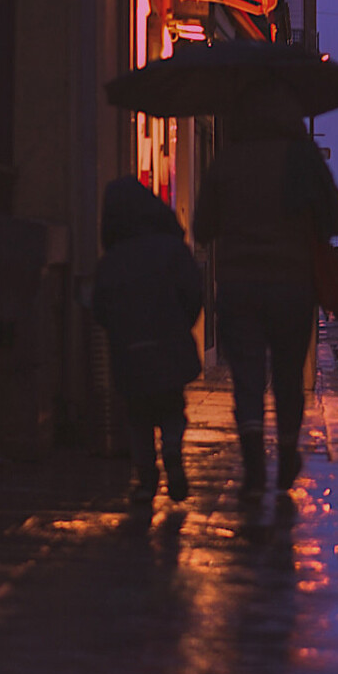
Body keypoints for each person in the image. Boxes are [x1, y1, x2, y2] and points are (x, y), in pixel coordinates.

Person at [193, 80, 338, 499]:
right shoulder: (302, 158)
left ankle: (252, 462)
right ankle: (285, 450)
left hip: (238, 285)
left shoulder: (227, 160)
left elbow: (202, 226)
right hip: (292, 285)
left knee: (246, 376)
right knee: (286, 374)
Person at [92, 177, 203, 503]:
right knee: (171, 407)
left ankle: (145, 475)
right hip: (169, 344)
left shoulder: (113, 259)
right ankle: (171, 450)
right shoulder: (171, 249)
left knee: (137, 415)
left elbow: (100, 308)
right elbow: (193, 293)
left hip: (130, 351)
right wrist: (181, 324)